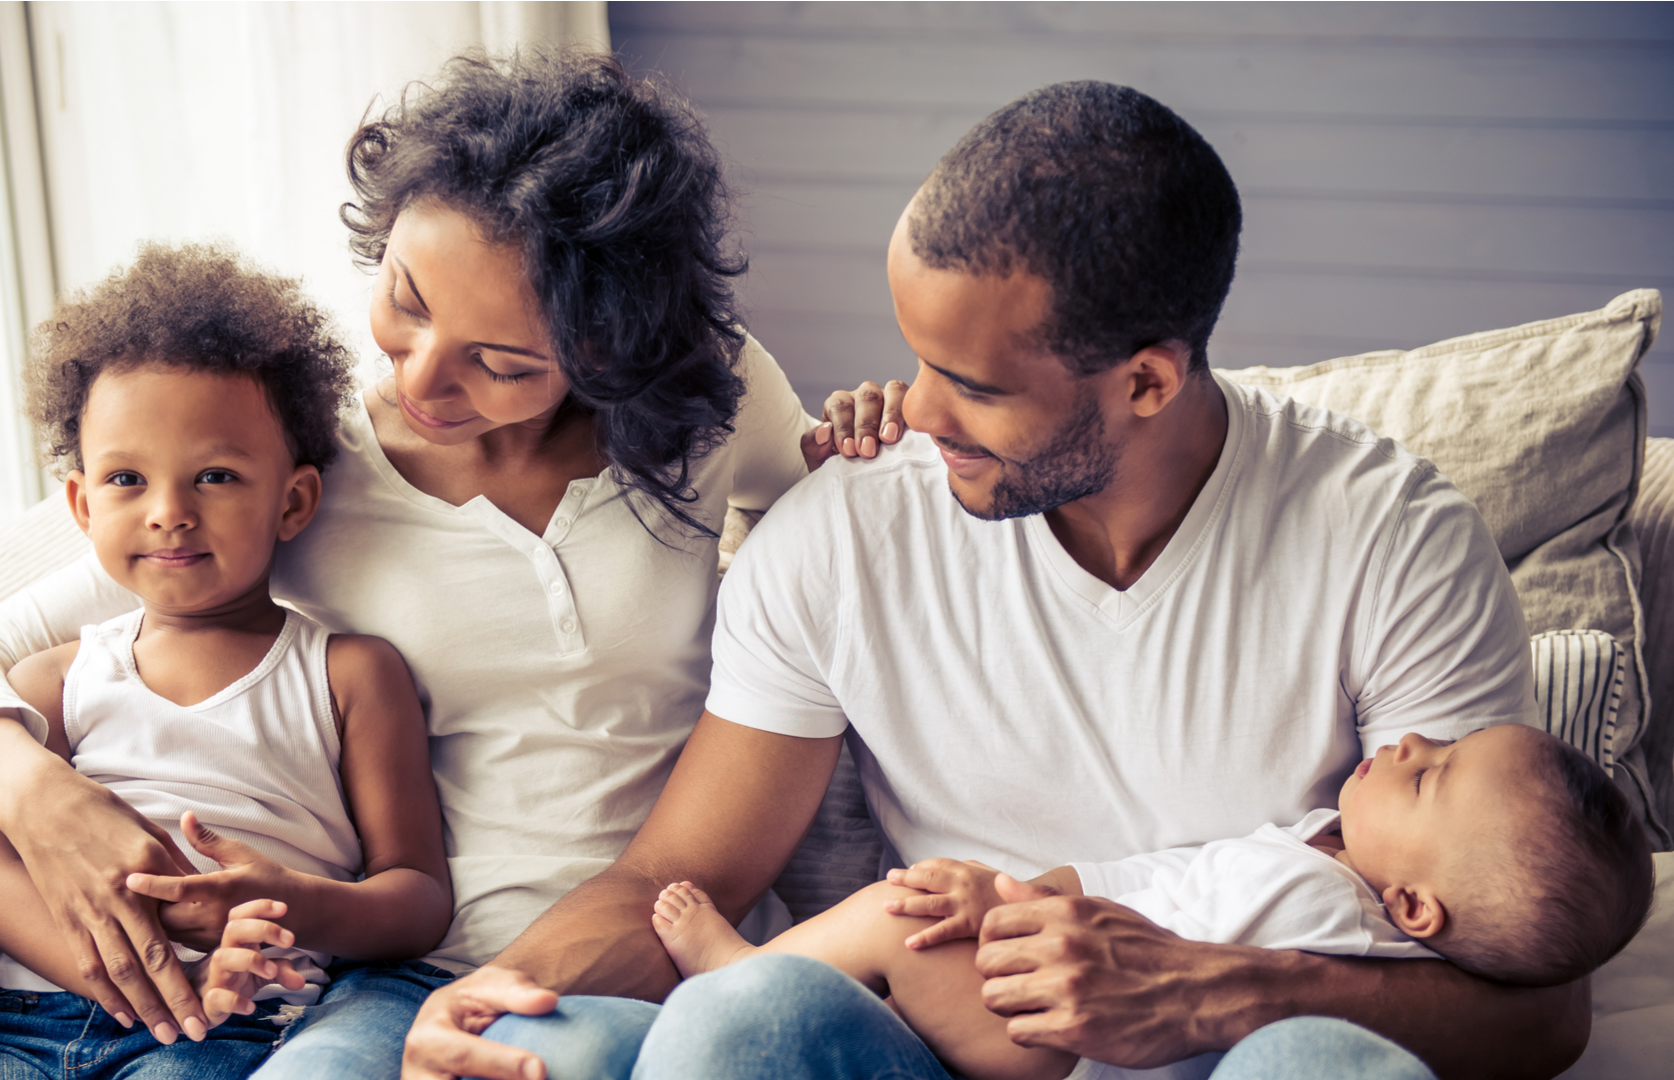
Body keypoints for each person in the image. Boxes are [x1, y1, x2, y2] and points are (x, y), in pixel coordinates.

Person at [402, 81, 1591, 1080]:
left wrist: (1209, 995)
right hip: (954, 1047)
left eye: (973, 384)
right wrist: (497, 993)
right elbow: (675, 878)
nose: (912, 412)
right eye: (917, 357)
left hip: (1248, 1045)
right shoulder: (846, 535)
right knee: (741, 1019)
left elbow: (1538, 1006)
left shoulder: (1390, 539)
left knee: (1316, 1067)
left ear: (1146, 382)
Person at [0, 50, 907, 1075]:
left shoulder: (705, 398)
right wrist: (33, 792)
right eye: (407, 302)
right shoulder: (299, 470)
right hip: (394, 968)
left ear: (607, 350)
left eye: (503, 362)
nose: (422, 377)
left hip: (661, 942)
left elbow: (827, 531)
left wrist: (862, 438)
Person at [0, 242, 454, 1078]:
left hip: (232, 1027)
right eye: (126, 481)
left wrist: (293, 907)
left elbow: (417, 899)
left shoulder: (349, 677)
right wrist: (130, 981)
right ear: (80, 503)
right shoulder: (55, 684)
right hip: (33, 1022)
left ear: (292, 500)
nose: (169, 513)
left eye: (214, 476)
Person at [651, 724, 1656, 1080]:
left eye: (1429, 776)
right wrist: (1035, 890)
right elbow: (1155, 887)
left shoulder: (1320, 906)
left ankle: (743, 971)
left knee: (904, 913)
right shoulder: (1321, 859)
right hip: (1068, 1024)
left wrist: (998, 900)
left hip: (1063, 1038)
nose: (1405, 744)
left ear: (1417, 909)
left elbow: (1142, 962)